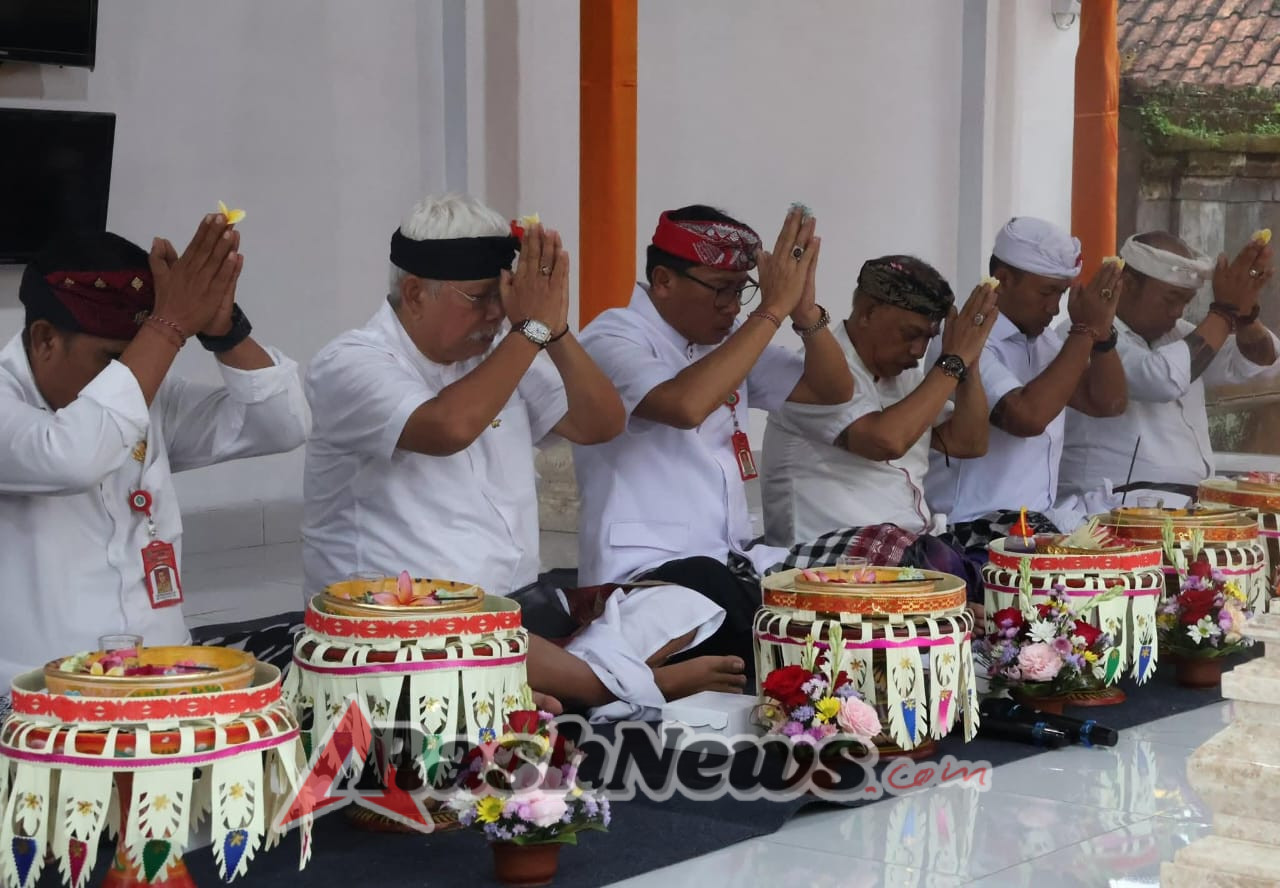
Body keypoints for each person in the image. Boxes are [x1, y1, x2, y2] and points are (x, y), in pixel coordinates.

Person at [302, 194, 745, 718]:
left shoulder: (501, 352)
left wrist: (553, 331)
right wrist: (528, 331)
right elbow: (448, 426)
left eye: (504, 298)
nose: (495, 315)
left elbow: (601, 423)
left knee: (700, 595)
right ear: (416, 293)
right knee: (465, 633)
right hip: (400, 622)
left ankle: (578, 682)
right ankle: (611, 687)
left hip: (517, 611)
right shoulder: (349, 362)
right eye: (479, 298)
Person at [0, 217, 309, 698]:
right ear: (44, 339)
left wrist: (223, 330)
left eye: (141, 358)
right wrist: (166, 327)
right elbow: (74, 457)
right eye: (114, 360)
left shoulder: (145, 395)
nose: (136, 378)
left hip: (166, 685)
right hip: (40, 706)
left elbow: (283, 423)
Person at [572, 204, 855, 672]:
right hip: (644, 577)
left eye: (741, 290)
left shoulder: (730, 341)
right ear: (663, 281)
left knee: (856, 570)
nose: (731, 306)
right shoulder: (612, 335)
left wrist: (803, 312)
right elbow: (684, 405)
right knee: (719, 592)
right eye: (721, 289)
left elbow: (832, 391)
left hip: (730, 563)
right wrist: (769, 310)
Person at [762, 254, 997, 545]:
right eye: (911, 334)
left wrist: (968, 360)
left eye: (928, 338)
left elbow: (969, 442)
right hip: (833, 559)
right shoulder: (811, 378)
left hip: (909, 547)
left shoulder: (904, 377)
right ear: (868, 313)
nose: (919, 351)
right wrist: (953, 362)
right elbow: (886, 440)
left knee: (1012, 540)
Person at [924, 216, 1128, 537]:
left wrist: (1101, 336)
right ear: (1003, 279)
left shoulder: (1048, 342)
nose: (1055, 307)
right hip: (971, 530)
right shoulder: (964, 340)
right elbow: (1026, 418)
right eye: (1046, 292)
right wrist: (1084, 330)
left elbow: (1107, 402)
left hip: (1035, 526)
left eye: (1061, 294)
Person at [1058, 230, 1278, 504]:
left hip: (1190, 507)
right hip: (1110, 509)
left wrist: (1244, 315)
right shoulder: (1081, 333)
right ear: (1127, 284)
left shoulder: (1178, 335)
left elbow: (1262, 361)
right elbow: (1160, 379)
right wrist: (1224, 310)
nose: (1178, 312)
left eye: (1185, 302)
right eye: (1170, 299)